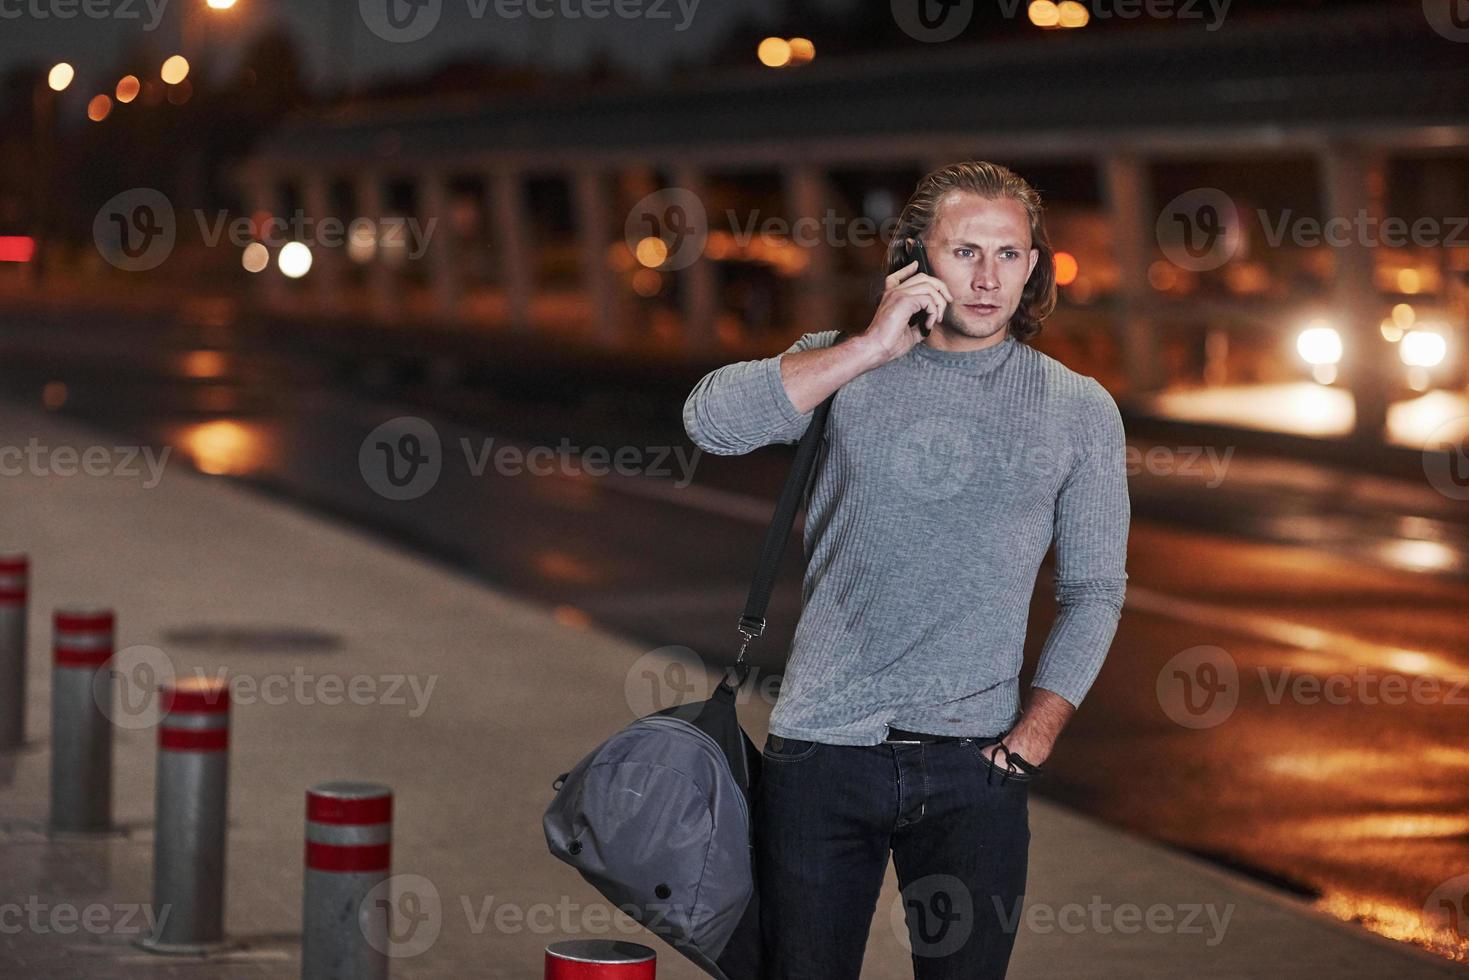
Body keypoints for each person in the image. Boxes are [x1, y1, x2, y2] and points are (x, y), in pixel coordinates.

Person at [681, 161, 1131, 979]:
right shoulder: (845, 366)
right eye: (964, 252)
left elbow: (1094, 593)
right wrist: (867, 347)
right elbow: (709, 421)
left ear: (1034, 264)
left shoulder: (1078, 409)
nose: (987, 277)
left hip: (976, 768)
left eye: (1008, 253)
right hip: (819, 755)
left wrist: (1031, 739)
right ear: (916, 257)